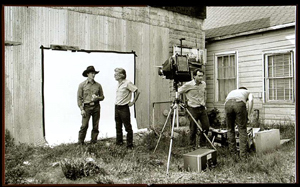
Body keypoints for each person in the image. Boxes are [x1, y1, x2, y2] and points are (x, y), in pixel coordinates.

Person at [178, 68, 210, 148]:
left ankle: (202, 144)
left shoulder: (203, 84)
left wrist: (204, 103)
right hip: (192, 108)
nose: (201, 78)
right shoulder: (188, 85)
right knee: (193, 128)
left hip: (202, 108)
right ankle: (191, 146)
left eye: (202, 76)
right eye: (199, 76)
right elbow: (178, 91)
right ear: (194, 76)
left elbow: (204, 94)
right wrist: (179, 102)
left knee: (206, 126)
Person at [77, 66, 105, 145]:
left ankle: (93, 142)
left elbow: (102, 97)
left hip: (96, 107)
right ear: (87, 74)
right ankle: (80, 143)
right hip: (86, 107)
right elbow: (79, 98)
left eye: (94, 73)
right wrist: (81, 109)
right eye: (92, 73)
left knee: (95, 126)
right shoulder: (82, 85)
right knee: (84, 125)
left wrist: (97, 98)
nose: (93, 75)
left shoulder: (98, 85)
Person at [114, 68, 140, 149]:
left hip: (124, 108)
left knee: (127, 127)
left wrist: (133, 102)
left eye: (117, 74)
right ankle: (119, 142)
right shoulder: (119, 83)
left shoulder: (127, 83)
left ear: (122, 75)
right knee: (118, 126)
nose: (114, 75)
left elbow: (137, 91)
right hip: (117, 107)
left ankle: (129, 145)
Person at [225, 87, 253, 160]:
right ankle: (243, 156)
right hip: (239, 103)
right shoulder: (248, 92)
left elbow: (226, 103)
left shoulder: (233, 91)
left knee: (230, 129)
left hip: (227, 104)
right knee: (242, 129)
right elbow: (251, 100)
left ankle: (233, 154)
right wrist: (248, 114)